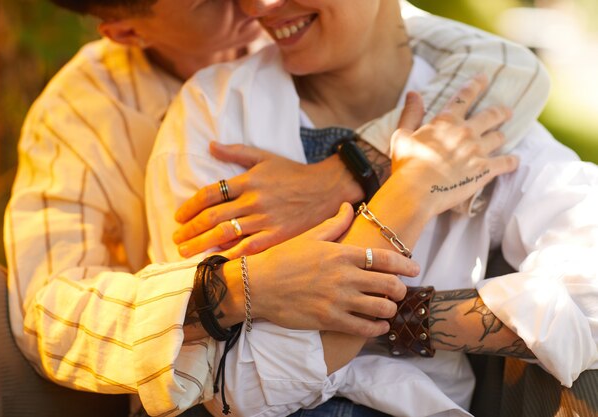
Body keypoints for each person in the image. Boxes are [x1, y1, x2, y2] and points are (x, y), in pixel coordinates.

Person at [5, 0, 548, 416]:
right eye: (207, 1)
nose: (254, 4)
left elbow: (504, 66)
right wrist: (233, 289)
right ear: (129, 32)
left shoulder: (316, 28)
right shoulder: (83, 111)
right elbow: (49, 315)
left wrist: (346, 172)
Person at [146, 0, 598, 416]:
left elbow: (592, 293)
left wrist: (407, 316)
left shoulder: (478, 122)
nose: (259, 6)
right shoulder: (219, 110)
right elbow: (234, 387)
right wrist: (411, 191)